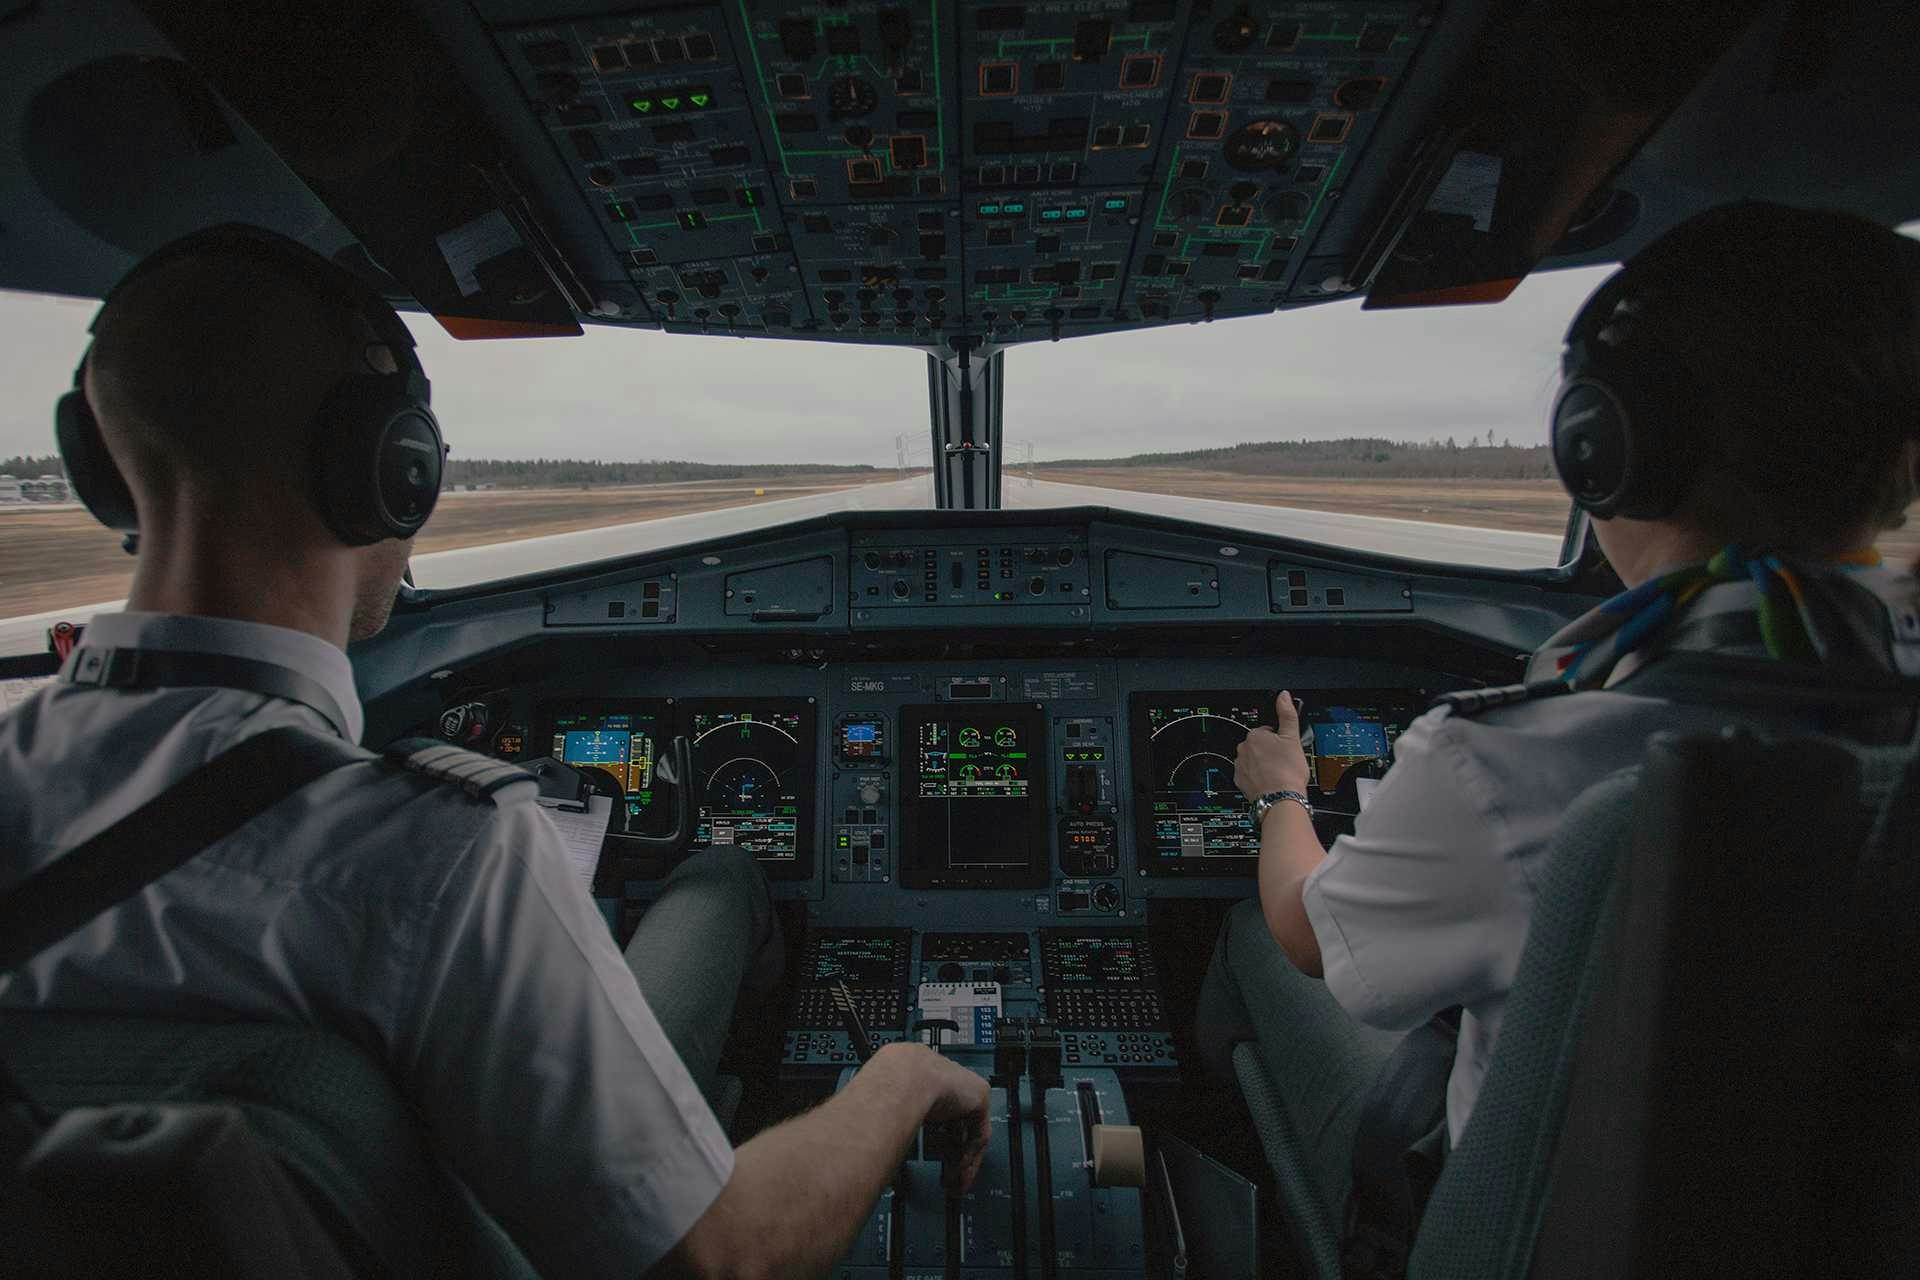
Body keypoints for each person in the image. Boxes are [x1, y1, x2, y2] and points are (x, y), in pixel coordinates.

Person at [0, 226, 989, 1280]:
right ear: (387, 465)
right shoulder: (435, 852)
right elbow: (721, 1258)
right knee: (717, 877)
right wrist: (899, 1074)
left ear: (104, 466)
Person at [1195, 201, 1920, 1224]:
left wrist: (1280, 794)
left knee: (1246, 929)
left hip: (1516, 1222)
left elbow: (1309, 931)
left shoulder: (1509, 763)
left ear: (1607, 444)